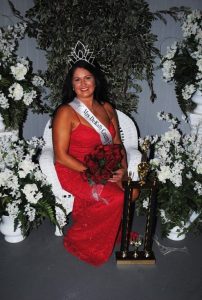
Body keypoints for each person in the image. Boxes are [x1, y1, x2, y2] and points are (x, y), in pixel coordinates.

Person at [52, 42, 135, 266]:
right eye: (77, 79)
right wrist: (94, 171)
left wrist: (122, 170)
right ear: (71, 84)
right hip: (74, 168)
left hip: (104, 166)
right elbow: (60, 156)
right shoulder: (66, 112)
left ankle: (112, 232)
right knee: (115, 196)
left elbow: (117, 143)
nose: (83, 84)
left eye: (87, 77)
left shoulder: (107, 108)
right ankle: (80, 239)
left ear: (96, 80)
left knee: (132, 192)